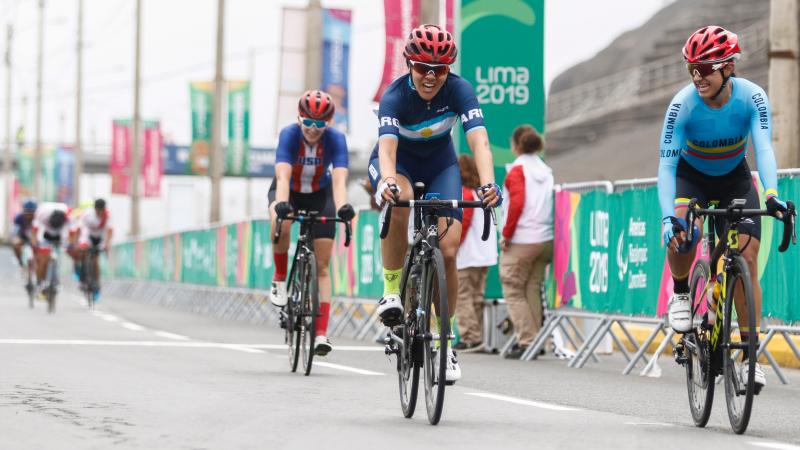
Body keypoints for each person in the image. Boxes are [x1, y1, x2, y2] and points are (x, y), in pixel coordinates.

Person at [370, 24, 502, 383]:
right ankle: (391, 291)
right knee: (402, 198)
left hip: (441, 164)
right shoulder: (395, 97)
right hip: (398, 165)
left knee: (447, 249)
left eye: (439, 69)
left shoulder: (460, 90)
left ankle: (446, 344)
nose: (430, 77)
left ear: (449, 69)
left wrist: (489, 182)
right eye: (422, 68)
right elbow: (387, 148)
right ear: (409, 64)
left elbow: (480, 143)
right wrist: (386, 181)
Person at [658, 26, 787, 391]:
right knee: (683, 232)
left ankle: (749, 358)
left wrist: (773, 193)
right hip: (690, 177)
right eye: (691, 69)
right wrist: (670, 217)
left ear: (728, 67)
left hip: (734, 178)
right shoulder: (682, 105)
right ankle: (682, 293)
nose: (697, 77)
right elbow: (666, 167)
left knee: (746, 257)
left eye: (705, 69)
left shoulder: (751, 97)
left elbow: (763, 148)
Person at [268, 89, 355, 357]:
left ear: (328, 124)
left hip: (320, 194)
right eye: (308, 122)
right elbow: (282, 178)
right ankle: (280, 278)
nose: (313, 129)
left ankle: (320, 334)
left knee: (323, 266)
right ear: (299, 119)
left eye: (320, 124)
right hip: (289, 192)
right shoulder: (289, 135)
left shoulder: (336, 139)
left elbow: (339, 182)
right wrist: (282, 206)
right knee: (280, 223)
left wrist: (343, 209)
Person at [499, 125, 554, 360]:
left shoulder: (517, 171)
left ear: (516, 145)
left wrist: (507, 234)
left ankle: (527, 340)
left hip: (522, 238)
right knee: (532, 287)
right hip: (545, 239)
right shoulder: (546, 170)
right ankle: (538, 341)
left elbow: (517, 204)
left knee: (513, 289)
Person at [454, 154, 497, 352]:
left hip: (467, 254)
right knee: (476, 297)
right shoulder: (483, 193)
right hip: (485, 253)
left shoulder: (464, 193)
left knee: (462, 296)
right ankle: (477, 334)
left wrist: (453, 245)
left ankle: (470, 337)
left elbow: (464, 222)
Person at [70, 199, 113, 300]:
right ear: (94, 209)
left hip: (99, 237)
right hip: (87, 235)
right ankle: (82, 277)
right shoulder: (88, 214)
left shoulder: (108, 216)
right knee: (83, 252)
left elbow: (110, 232)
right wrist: (76, 244)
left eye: (101, 210)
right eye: (97, 210)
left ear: (104, 209)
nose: (99, 213)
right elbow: (79, 229)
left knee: (95, 260)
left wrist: (107, 245)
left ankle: (96, 284)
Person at [30, 202, 71, 294]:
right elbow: (34, 232)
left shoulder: (68, 216)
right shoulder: (42, 213)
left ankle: (56, 280)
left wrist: (70, 244)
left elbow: (71, 234)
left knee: (56, 255)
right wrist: (35, 243)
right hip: (45, 233)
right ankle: (40, 282)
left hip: (60, 234)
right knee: (43, 258)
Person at [11, 199, 37, 268]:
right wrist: (16, 238)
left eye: (31, 213)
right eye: (27, 212)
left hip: (35, 238)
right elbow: (14, 232)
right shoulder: (19, 217)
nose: (29, 215)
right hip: (22, 237)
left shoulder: (37, 218)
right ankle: (20, 260)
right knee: (16, 244)